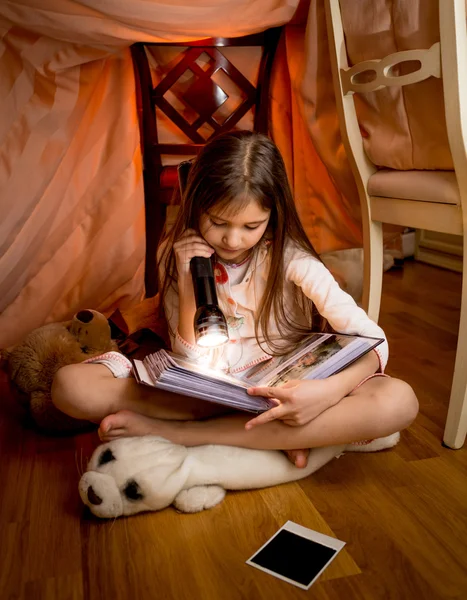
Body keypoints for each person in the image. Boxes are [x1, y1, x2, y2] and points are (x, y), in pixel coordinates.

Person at [52, 131, 418, 467]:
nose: (232, 240)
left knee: (398, 401)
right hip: (204, 394)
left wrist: (325, 394)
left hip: (283, 389)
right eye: (218, 222)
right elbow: (189, 360)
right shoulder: (177, 253)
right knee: (71, 387)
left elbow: (374, 341)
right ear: (196, 206)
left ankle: (179, 434)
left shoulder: (290, 258)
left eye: (250, 226)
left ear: (272, 215)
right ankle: (280, 435)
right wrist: (188, 275)